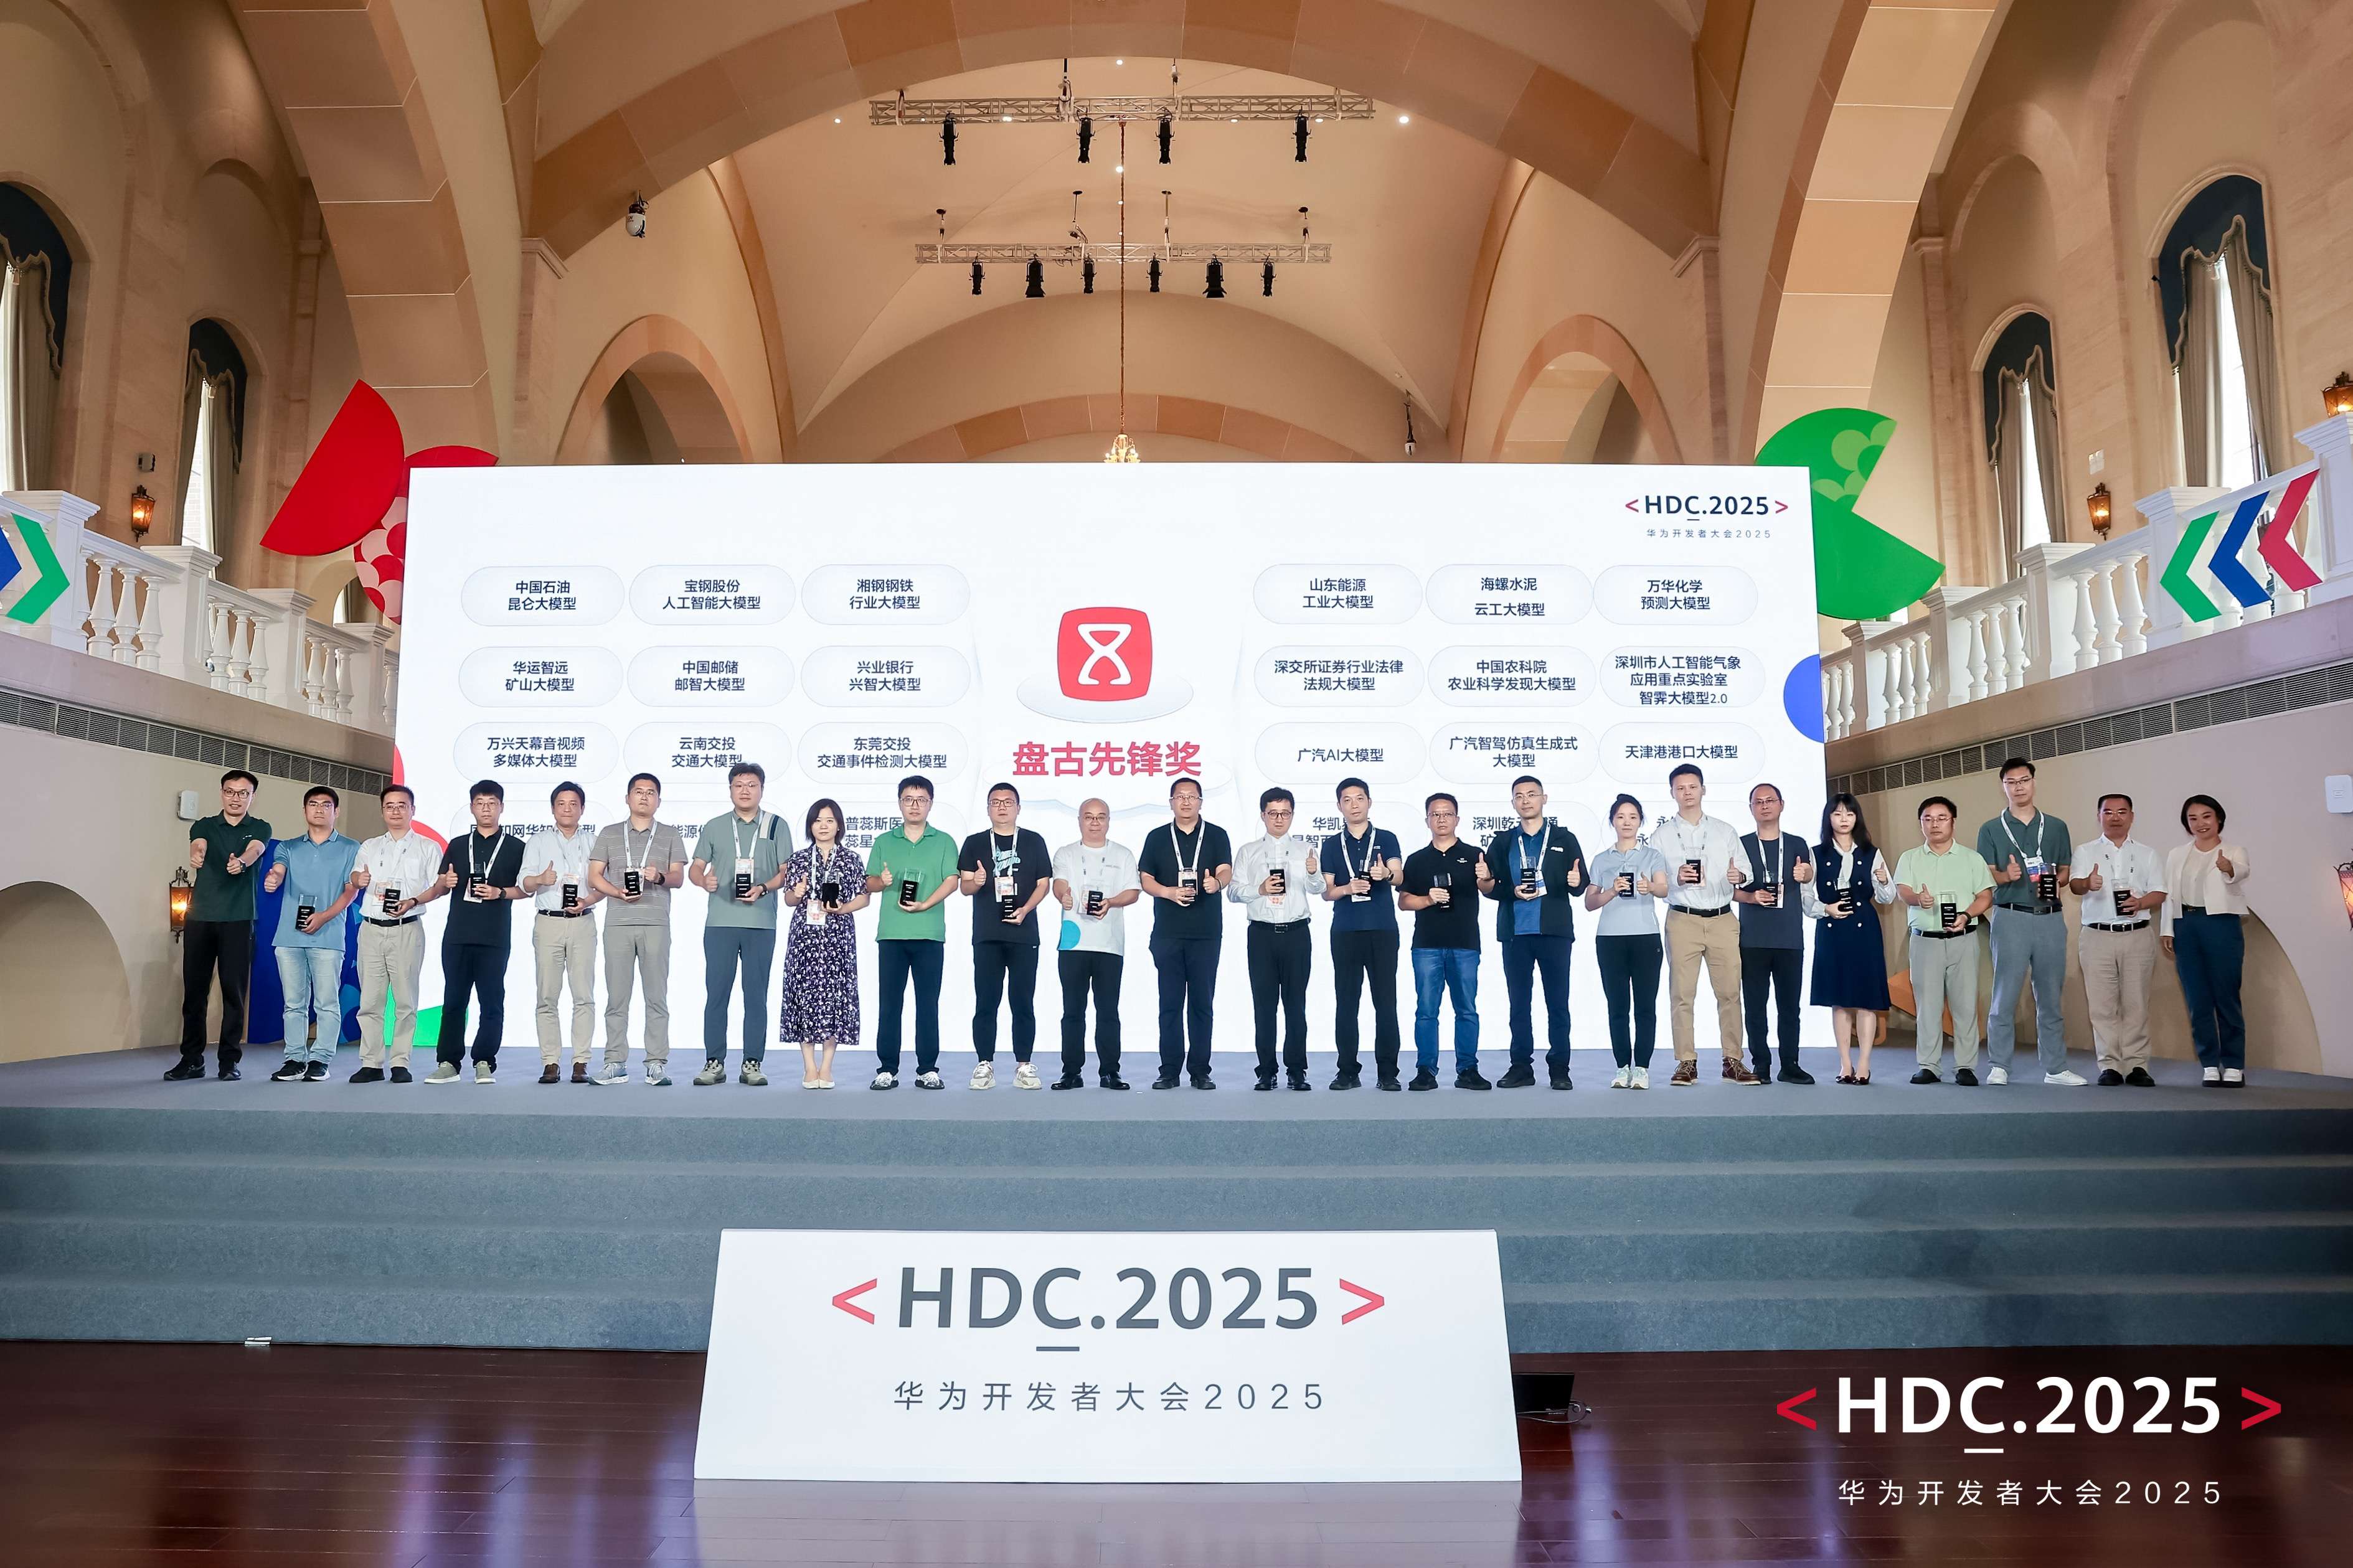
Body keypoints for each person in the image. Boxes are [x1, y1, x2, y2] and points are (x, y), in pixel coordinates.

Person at [1651, 763, 1759, 1086]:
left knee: (1730, 993)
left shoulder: (1725, 831)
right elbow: (1655, 883)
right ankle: (1686, 1062)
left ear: (1703, 790)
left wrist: (1739, 876)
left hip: (1723, 918)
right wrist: (1675, 878)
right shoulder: (1661, 836)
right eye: (1680, 788)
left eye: (1693, 787)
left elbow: (1746, 871)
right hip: (1682, 919)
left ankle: (1733, 1060)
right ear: (1672, 793)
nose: (1687, 793)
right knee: (1682, 995)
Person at [1976, 758, 2081, 1086]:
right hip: (2010, 917)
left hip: (2049, 917)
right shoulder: (1991, 828)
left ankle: (2056, 1068)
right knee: (2004, 994)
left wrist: (2054, 881)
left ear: (2034, 783)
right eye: (2011, 782)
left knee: (2050, 996)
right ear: (2003, 787)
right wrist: (2004, 876)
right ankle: (1999, 1065)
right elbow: (1985, 874)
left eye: (2024, 780)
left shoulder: (2056, 826)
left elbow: (2065, 870)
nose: (2018, 787)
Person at [688, 763, 793, 1087]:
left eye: (751, 785)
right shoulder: (715, 826)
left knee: (756, 996)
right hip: (720, 922)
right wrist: (703, 880)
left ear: (762, 789)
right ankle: (714, 1062)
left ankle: (752, 1062)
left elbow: (786, 872)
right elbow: (696, 867)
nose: (745, 790)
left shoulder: (776, 825)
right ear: (730, 789)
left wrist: (763, 888)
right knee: (717, 994)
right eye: (738, 785)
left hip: (761, 922)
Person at [1479, 773, 1585, 1089]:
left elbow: (1580, 884)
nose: (1526, 800)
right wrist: (1507, 889)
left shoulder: (1564, 838)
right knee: (1519, 1004)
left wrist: (1577, 882)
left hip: (1555, 933)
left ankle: (1560, 1068)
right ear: (1513, 803)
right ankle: (1521, 1067)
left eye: (1532, 794)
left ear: (1544, 799)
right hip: (1516, 934)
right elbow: (1490, 887)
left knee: (1558, 1003)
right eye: (1519, 796)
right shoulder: (1503, 841)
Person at [170, 770, 273, 1081]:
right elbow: (198, 844)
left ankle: (229, 1061)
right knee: (195, 993)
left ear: (252, 797)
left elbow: (256, 850)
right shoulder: (205, 824)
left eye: (243, 793)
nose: (236, 798)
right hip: (200, 918)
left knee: (234, 993)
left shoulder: (260, 827)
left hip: (239, 920)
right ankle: (192, 1060)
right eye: (230, 792)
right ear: (222, 793)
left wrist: (242, 861)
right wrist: (197, 855)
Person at [587, 772, 689, 1086]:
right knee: (617, 997)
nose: (644, 797)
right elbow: (594, 876)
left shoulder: (670, 834)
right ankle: (614, 1062)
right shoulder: (609, 833)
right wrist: (617, 893)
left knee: (656, 996)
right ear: (627, 798)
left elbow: (678, 878)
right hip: (618, 922)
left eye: (651, 792)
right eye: (638, 791)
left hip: (656, 923)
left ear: (659, 800)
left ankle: (656, 1063)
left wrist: (659, 877)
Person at [863, 773, 960, 1090]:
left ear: (931, 803)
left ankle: (927, 1069)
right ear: (900, 803)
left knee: (928, 1004)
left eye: (921, 800)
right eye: (908, 799)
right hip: (892, 934)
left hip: (929, 933)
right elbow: (869, 883)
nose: (914, 805)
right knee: (889, 1004)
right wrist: (882, 882)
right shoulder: (884, 841)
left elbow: (952, 881)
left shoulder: (944, 841)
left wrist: (925, 905)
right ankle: (887, 1069)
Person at [427, 779, 527, 1084]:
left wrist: (500, 892)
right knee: (454, 1001)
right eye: (480, 803)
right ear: (472, 807)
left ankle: (484, 1060)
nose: (486, 809)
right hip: (457, 935)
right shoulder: (458, 844)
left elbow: (526, 890)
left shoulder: (516, 847)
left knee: (492, 1002)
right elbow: (442, 886)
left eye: (492, 803)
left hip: (494, 937)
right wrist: (446, 883)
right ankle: (448, 1062)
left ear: (501, 807)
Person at [1137, 775, 1233, 1089]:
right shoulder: (1157, 837)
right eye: (1180, 796)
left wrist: (1216, 883)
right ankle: (1169, 1070)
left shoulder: (1216, 834)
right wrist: (1168, 892)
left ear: (1201, 802)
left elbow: (1225, 869)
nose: (1186, 801)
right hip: (1168, 933)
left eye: (1192, 796)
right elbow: (1145, 878)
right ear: (1171, 803)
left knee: (1202, 1004)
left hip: (1206, 933)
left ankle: (1200, 1070)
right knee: (1170, 1004)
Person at [261, 786, 362, 1082]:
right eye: (313, 804)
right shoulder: (288, 847)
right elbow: (278, 870)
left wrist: (324, 917)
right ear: (304, 810)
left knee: (327, 1003)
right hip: (288, 937)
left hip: (328, 936)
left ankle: (320, 1060)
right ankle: (294, 1059)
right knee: (293, 1004)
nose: (319, 809)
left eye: (326, 805)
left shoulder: (351, 848)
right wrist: (273, 878)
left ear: (336, 811)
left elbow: (351, 892)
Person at [957, 782, 1053, 1089]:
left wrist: (1025, 910)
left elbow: (1043, 884)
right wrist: (977, 882)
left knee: (1023, 1001)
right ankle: (984, 1063)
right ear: (987, 808)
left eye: (1008, 802)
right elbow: (965, 887)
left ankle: (1024, 1065)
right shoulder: (974, 843)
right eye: (995, 802)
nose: (1002, 807)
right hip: (988, 934)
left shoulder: (1034, 841)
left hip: (1024, 933)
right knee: (986, 1001)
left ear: (1018, 808)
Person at [1893, 796, 1994, 1086]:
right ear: (1921, 824)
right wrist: (1918, 899)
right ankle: (1929, 1065)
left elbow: (1985, 896)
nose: (1934, 824)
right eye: (1928, 819)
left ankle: (1966, 1066)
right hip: (1925, 941)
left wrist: (1967, 914)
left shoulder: (1971, 858)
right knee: (1928, 1006)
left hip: (1963, 938)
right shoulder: (1910, 858)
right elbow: (1903, 891)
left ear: (1953, 822)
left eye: (1941, 818)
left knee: (1965, 1005)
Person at [347, 784, 446, 1082]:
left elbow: (440, 886)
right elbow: (355, 875)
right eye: (389, 806)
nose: (396, 811)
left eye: (402, 805)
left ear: (412, 810)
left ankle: (401, 1062)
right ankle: (371, 1063)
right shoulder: (370, 846)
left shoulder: (428, 847)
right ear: (382, 811)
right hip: (371, 929)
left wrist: (413, 901)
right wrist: (359, 878)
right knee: (370, 1002)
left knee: (405, 1001)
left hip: (407, 929)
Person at [2069, 793, 2168, 1087]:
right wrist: (2087, 883)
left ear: (2132, 817)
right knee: (2101, 1006)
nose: (2115, 817)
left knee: (2137, 1003)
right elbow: (2075, 885)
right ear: (2099, 816)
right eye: (2108, 812)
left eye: (2122, 812)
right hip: (2097, 936)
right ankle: (2110, 1065)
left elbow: (2160, 892)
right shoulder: (2085, 851)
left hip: (2137, 935)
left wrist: (2141, 903)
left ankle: (2137, 1065)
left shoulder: (2148, 854)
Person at [1231, 786, 1324, 1091]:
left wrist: (1313, 873)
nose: (1279, 819)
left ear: (1293, 815)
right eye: (1273, 813)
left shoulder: (1306, 850)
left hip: (1296, 934)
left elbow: (1318, 889)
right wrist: (1258, 890)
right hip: (1261, 935)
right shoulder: (1248, 851)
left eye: (1285, 813)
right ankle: (1266, 1071)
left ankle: (1297, 1070)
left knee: (1296, 1006)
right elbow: (1233, 891)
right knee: (1264, 1006)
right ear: (1263, 815)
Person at [1319, 777, 1405, 1090]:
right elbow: (1327, 892)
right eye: (1347, 800)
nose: (1354, 805)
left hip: (1382, 929)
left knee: (1386, 1003)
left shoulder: (1387, 838)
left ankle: (1388, 1073)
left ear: (1369, 802)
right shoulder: (1331, 844)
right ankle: (1347, 1071)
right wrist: (1347, 888)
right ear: (1339, 806)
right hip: (1346, 931)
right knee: (1346, 1003)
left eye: (1359, 798)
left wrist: (1387, 873)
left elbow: (1400, 878)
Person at [1050, 797, 1141, 1090]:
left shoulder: (1123, 854)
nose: (1095, 822)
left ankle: (1110, 1072)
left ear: (1109, 821)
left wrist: (1111, 902)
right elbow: (1059, 883)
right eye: (1089, 817)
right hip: (1073, 944)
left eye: (1101, 817)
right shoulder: (1066, 853)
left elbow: (1133, 891)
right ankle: (1071, 1072)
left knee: (1108, 1011)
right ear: (1079, 820)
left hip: (1109, 945)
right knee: (1072, 1011)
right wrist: (1064, 896)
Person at [1399, 792, 1488, 1091]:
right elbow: (1404, 902)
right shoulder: (1417, 860)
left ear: (1457, 819)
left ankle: (1468, 1069)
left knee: (1467, 1010)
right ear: (1427, 820)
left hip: (1465, 943)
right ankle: (1426, 1070)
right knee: (1426, 1011)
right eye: (1435, 814)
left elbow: (1489, 888)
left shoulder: (1475, 855)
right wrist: (1427, 899)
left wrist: (1486, 877)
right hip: (1427, 945)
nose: (1441, 819)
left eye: (1447, 814)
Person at [2164, 794, 2252, 1088]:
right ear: (2186, 824)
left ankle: (2234, 1064)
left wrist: (2228, 868)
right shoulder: (2177, 854)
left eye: (2206, 816)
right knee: (2197, 999)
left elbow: (2241, 871)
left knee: (2227, 996)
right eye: (2193, 818)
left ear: (2218, 819)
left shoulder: (2234, 851)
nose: (2200, 823)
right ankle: (2210, 1064)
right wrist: (2167, 930)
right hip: (2185, 924)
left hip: (2221, 924)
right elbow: (2169, 895)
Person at [1583, 794, 1671, 1089]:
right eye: (1621, 817)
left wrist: (1650, 887)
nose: (1627, 822)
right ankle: (1622, 1067)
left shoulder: (1652, 856)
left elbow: (1664, 889)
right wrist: (1610, 891)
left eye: (1633, 817)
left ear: (1641, 821)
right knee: (1617, 1007)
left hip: (1645, 937)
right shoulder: (1602, 859)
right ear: (1612, 822)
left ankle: (1642, 1068)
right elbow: (1590, 903)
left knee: (1645, 1006)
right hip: (1610, 939)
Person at [780, 798, 868, 1089]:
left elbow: (864, 897)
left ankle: (827, 1066)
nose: (823, 826)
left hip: (838, 935)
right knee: (804, 995)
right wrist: (797, 892)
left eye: (829, 820)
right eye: (818, 820)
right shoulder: (799, 859)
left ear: (839, 826)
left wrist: (843, 909)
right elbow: (789, 899)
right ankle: (809, 1066)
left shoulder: (851, 859)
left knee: (835, 996)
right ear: (810, 826)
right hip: (805, 936)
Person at [1806, 792, 1893, 1085]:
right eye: (1838, 814)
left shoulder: (1871, 852)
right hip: (1832, 930)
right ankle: (1845, 1064)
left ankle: (1864, 1063)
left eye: (1850, 814)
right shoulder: (1816, 853)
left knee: (1867, 999)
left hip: (1864, 929)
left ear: (1857, 818)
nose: (1844, 819)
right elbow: (1806, 897)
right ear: (1828, 818)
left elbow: (1887, 897)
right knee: (1840, 1000)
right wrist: (1826, 909)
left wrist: (1883, 881)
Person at [519, 780, 600, 1084]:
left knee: (584, 996)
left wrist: (587, 901)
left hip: (583, 922)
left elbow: (604, 884)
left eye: (573, 804)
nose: (567, 809)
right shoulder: (538, 841)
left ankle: (581, 1061)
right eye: (561, 804)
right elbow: (524, 883)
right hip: (549, 923)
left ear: (582, 809)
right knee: (547, 996)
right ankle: (550, 1062)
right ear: (553, 809)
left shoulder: (593, 842)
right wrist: (540, 879)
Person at [1735, 782, 1816, 1084]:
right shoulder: (1741, 845)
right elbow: (1729, 890)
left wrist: (1807, 873)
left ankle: (1790, 1064)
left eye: (1770, 800)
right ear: (1751, 809)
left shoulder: (1797, 844)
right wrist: (1750, 896)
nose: (1765, 805)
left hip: (1789, 938)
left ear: (1782, 805)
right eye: (1759, 802)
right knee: (1755, 1006)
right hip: (1752, 939)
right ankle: (1761, 1064)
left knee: (1789, 1007)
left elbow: (1809, 877)